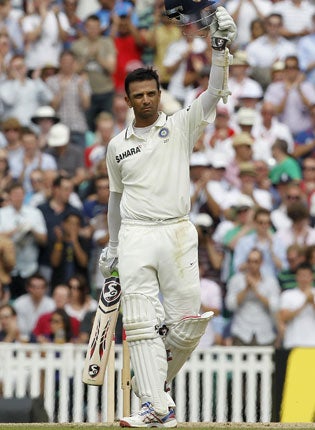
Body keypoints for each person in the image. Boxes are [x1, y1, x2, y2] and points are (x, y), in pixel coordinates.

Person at [98, 6, 237, 427]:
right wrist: (114, 244)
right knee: (140, 322)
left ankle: (154, 390)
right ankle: (156, 407)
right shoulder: (116, 147)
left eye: (151, 94)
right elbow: (114, 199)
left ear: (159, 94)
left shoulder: (179, 127)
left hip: (178, 232)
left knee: (187, 325)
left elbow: (213, 92)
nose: (145, 101)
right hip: (137, 234)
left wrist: (219, 45)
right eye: (138, 95)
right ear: (127, 100)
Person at [225, 247, 281, 346]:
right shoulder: (236, 280)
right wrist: (246, 289)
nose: (252, 265)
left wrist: (256, 291)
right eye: (249, 261)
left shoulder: (271, 281)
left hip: (265, 332)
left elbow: (275, 306)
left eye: (255, 262)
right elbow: (230, 305)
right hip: (241, 331)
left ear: (261, 263)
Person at [278, 262, 315, 349]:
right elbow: (283, 317)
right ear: (296, 277)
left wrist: (312, 303)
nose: (304, 279)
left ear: (311, 277)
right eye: (301, 275)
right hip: (294, 342)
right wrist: (304, 304)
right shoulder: (287, 294)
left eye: (306, 275)